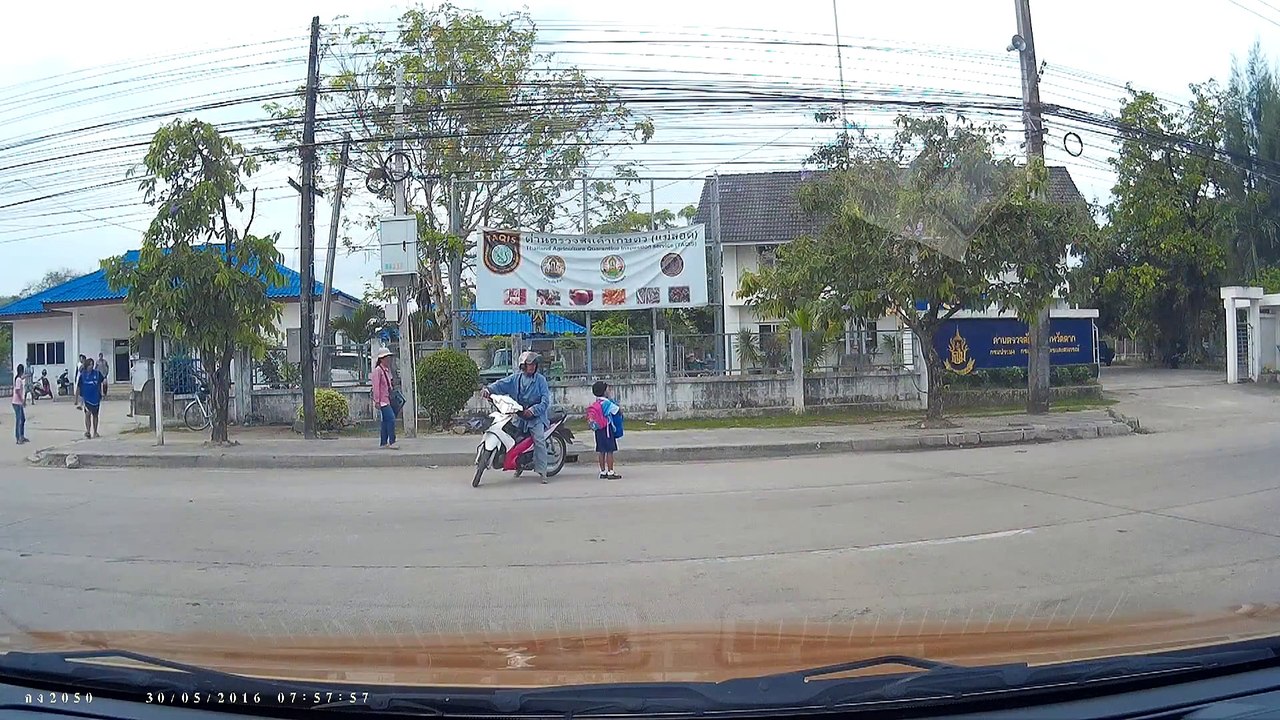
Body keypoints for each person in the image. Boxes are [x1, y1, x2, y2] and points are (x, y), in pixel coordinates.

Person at [481, 351, 552, 483]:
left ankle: (542, 472)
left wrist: (533, 410)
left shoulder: (540, 380)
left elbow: (545, 401)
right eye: (529, 364)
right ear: (522, 365)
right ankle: (518, 466)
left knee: (539, 441)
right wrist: (488, 390)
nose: (532, 367)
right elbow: (500, 384)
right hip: (519, 416)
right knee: (514, 440)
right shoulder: (515, 379)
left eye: (534, 364)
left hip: (536, 417)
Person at [588, 380, 622, 480]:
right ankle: (611, 471)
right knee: (610, 451)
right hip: (607, 429)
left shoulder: (596, 403)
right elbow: (617, 411)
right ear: (604, 391)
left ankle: (602, 471)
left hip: (598, 430)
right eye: (607, 389)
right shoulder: (607, 403)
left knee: (601, 451)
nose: (608, 390)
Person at [372, 348, 398, 450]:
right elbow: (376, 387)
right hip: (382, 401)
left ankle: (383, 442)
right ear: (382, 359)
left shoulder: (387, 371)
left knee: (385, 421)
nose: (389, 360)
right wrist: (377, 400)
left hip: (387, 399)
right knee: (391, 419)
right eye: (387, 358)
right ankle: (392, 441)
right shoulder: (378, 371)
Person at [75, 356, 105, 439]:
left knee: (95, 415)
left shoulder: (97, 374)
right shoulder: (83, 376)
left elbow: (103, 381)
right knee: (87, 414)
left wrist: (104, 391)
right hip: (86, 399)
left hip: (96, 398)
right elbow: (78, 387)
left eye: (92, 364)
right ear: (86, 366)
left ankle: (95, 432)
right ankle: (88, 431)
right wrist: (76, 399)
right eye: (89, 365)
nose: (91, 366)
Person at [12, 363, 28, 445]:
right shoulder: (18, 380)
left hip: (18, 402)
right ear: (22, 371)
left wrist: (26, 376)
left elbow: (22, 378)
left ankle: (21, 436)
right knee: (19, 420)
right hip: (17, 402)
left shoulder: (19, 379)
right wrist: (22, 400)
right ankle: (18, 438)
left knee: (23, 419)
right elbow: (17, 391)